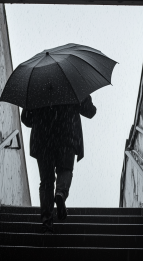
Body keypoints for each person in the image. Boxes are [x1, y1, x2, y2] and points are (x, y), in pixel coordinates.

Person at [21, 95, 97, 233]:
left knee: (46, 182)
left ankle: (46, 222)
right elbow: (90, 112)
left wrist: (42, 118)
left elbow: (26, 119)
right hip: (67, 136)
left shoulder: (38, 85)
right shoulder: (72, 84)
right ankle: (61, 193)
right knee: (65, 170)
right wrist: (84, 97)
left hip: (42, 139)